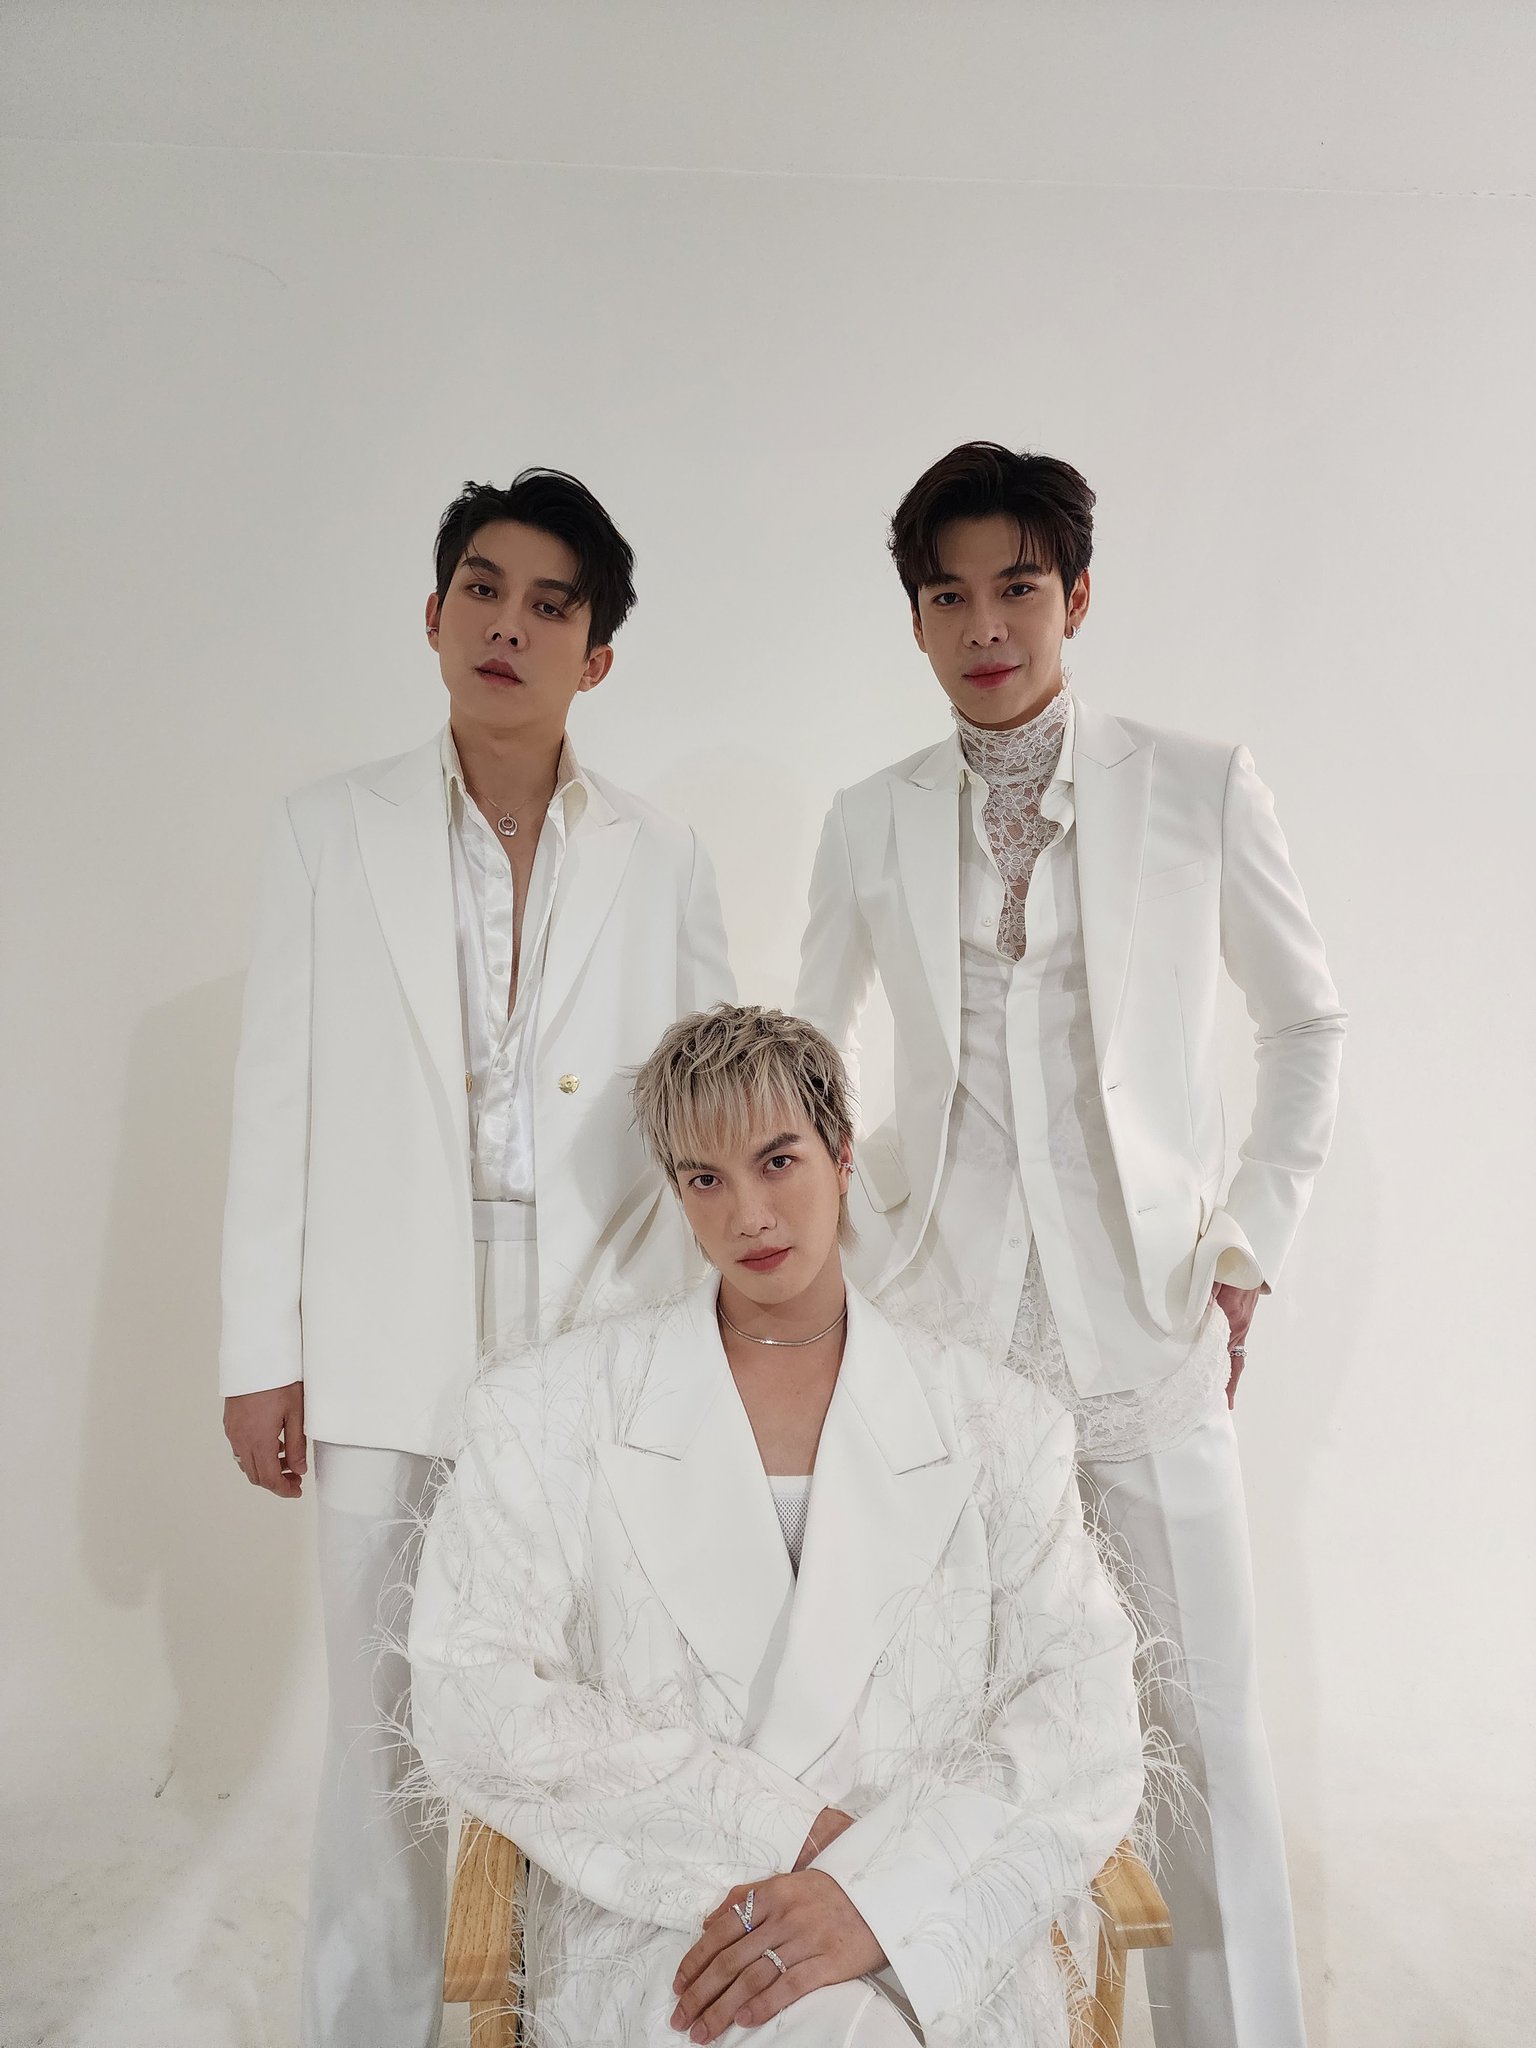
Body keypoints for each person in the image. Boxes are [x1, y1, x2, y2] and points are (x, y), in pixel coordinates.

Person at [794, 443, 1345, 2048]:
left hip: (1149, 1331)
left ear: (1077, 597)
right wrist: (862, 1251)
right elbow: (807, 1057)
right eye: (948, 596)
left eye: (1018, 588)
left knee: (1205, 1732)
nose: (986, 626)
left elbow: (1306, 1022)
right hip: (948, 1342)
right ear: (915, 619)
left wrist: (1245, 1247)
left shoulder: (1199, 784)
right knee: (948, 1737)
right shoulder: (868, 820)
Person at [218, 469, 734, 2048]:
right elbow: (276, 1100)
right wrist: (260, 1351)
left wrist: (699, 1353)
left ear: (598, 655)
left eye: (551, 605)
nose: (509, 625)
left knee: (586, 1719)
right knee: (378, 1732)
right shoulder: (327, 831)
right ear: (434, 614)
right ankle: (366, 2024)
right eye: (483, 590)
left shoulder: (663, 855)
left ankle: (576, 2012)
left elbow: (705, 1118)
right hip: (380, 1337)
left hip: (597, 1344)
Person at [409, 1003, 1144, 2046]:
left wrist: (876, 1896)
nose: (749, 1214)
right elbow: (473, 1694)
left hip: (928, 1942)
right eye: (705, 1179)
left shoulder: (999, 1424)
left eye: (778, 1160)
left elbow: (1084, 1713)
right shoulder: (549, 1413)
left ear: (843, 1158)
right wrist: (795, 1838)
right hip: (669, 1924)